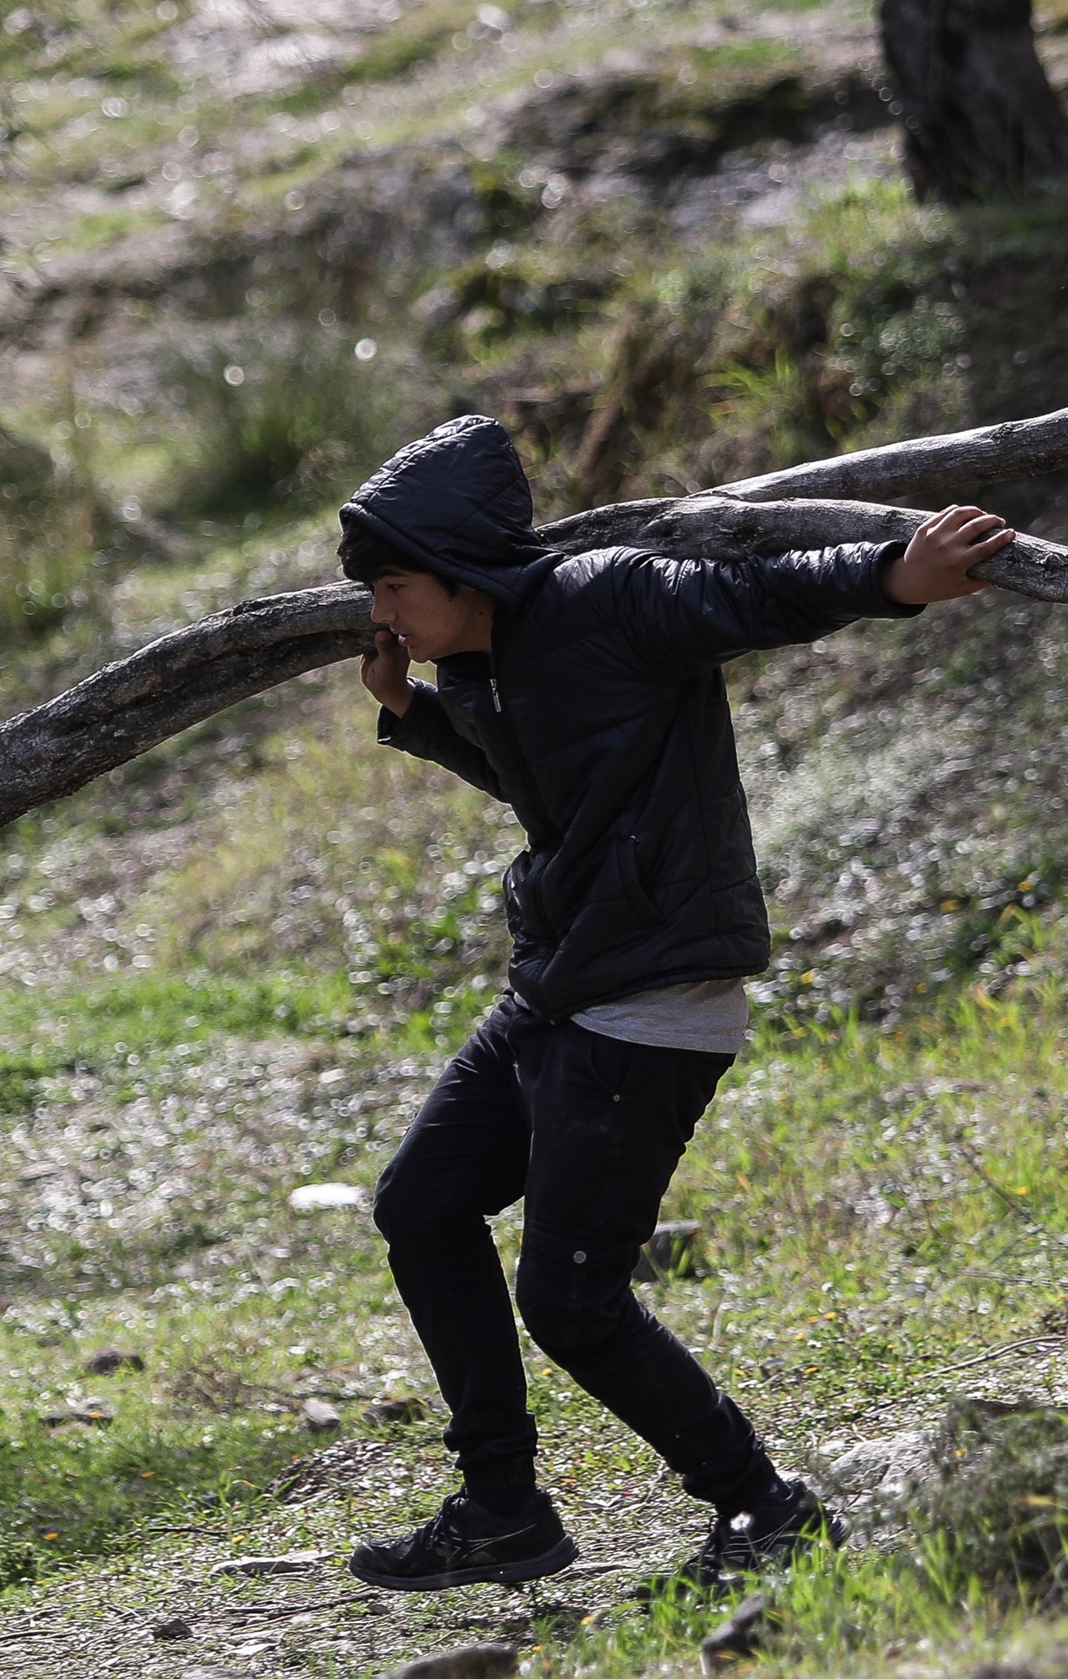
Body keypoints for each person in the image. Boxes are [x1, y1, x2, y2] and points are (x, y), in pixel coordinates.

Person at [329, 415, 1015, 1595]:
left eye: (395, 583)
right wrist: (418, 713)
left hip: (649, 1003)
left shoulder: (609, 597)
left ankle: (769, 1510)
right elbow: (544, 784)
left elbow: (753, 594)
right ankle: (501, 1508)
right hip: (560, 990)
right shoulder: (479, 655)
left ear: (462, 569)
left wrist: (891, 576)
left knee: (571, 1298)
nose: (382, 609)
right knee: (424, 1202)